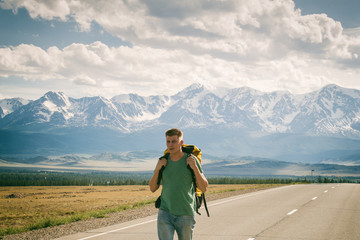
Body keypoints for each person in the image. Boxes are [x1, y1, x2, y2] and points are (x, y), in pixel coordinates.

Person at [149, 128, 208, 240]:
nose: (170, 145)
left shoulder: (191, 160)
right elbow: (152, 188)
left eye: (174, 141)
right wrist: (157, 169)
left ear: (181, 142)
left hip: (186, 213)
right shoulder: (163, 161)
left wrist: (195, 168)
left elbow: (204, 187)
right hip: (165, 212)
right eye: (168, 141)